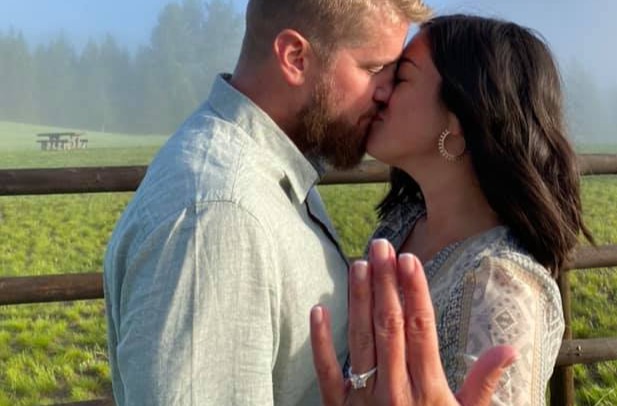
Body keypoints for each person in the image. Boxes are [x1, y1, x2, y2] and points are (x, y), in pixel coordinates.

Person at [103, 1, 512, 405]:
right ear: (295, 57)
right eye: (373, 69)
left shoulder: (266, 174)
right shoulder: (219, 216)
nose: (386, 93)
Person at [311, 15, 594, 406]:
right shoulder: (404, 223)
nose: (381, 90)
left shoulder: (501, 287)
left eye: (401, 77)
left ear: (459, 115)